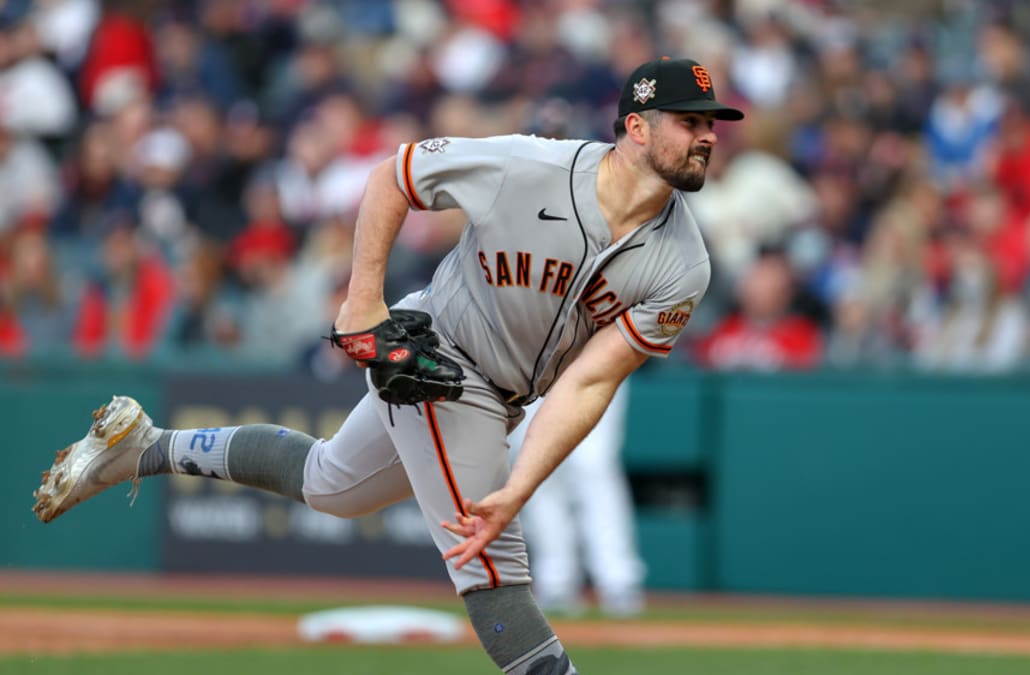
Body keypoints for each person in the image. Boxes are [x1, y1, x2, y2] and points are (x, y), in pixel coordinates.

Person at [32, 56, 742, 674]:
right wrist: (361, 298)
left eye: (713, 122)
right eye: (691, 120)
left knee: (330, 485)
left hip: (506, 396)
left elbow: (591, 378)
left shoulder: (683, 264)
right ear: (638, 125)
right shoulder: (532, 167)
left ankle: (145, 448)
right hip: (438, 360)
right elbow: (394, 174)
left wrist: (519, 483)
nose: (708, 134)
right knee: (491, 562)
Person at [507, 380, 645, 618]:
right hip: (532, 357)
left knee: (592, 466)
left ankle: (618, 580)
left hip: (596, 350)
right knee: (536, 467)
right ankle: (555, 581)